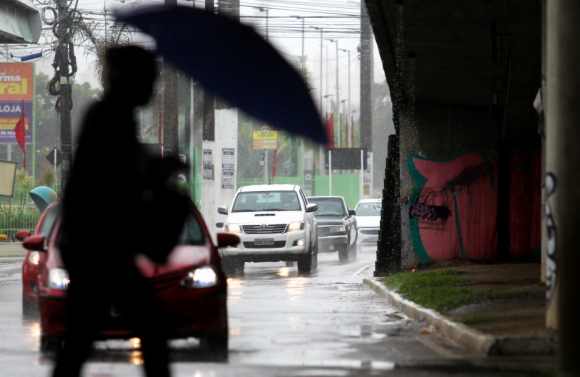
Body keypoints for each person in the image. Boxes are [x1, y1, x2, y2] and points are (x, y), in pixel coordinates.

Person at [52, 46, 176, 377]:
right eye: (151, 79)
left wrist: (154, 171)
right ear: (136, 80)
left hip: (97, 247)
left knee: (80, 341)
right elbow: (113, 183)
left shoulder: (113, 115)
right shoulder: (112, 117)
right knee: (148, 327)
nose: (155, 87)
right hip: (98, 248)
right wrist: (155, 175)